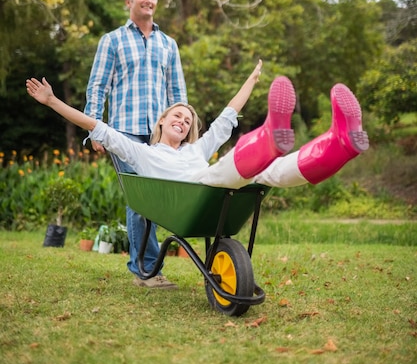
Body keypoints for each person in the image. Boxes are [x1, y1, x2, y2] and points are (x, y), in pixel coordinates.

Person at [26, 59, 369, 225]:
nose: (183, 120)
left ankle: (341, 144)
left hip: (219, 191)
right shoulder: (142, 153)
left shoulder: (196, 149)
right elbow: (95, 125)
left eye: (188, 120)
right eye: (177, 115)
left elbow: (227, 116)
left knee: (272, 172)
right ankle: (269, 137)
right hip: (190, 199)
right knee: (226, 170)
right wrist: (52, 102)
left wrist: (251, 79)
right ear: (161, 121)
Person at [84, 0, 187, 289]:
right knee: (139, 199)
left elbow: (177, 94)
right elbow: (98, 86)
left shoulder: (168, 44)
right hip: (124, 134)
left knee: (154, 199)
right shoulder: (112, 41)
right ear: (129, 2)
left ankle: (146, 267)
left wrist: (182, 131)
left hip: (159, 136)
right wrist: (95, 129)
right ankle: (145, 270)